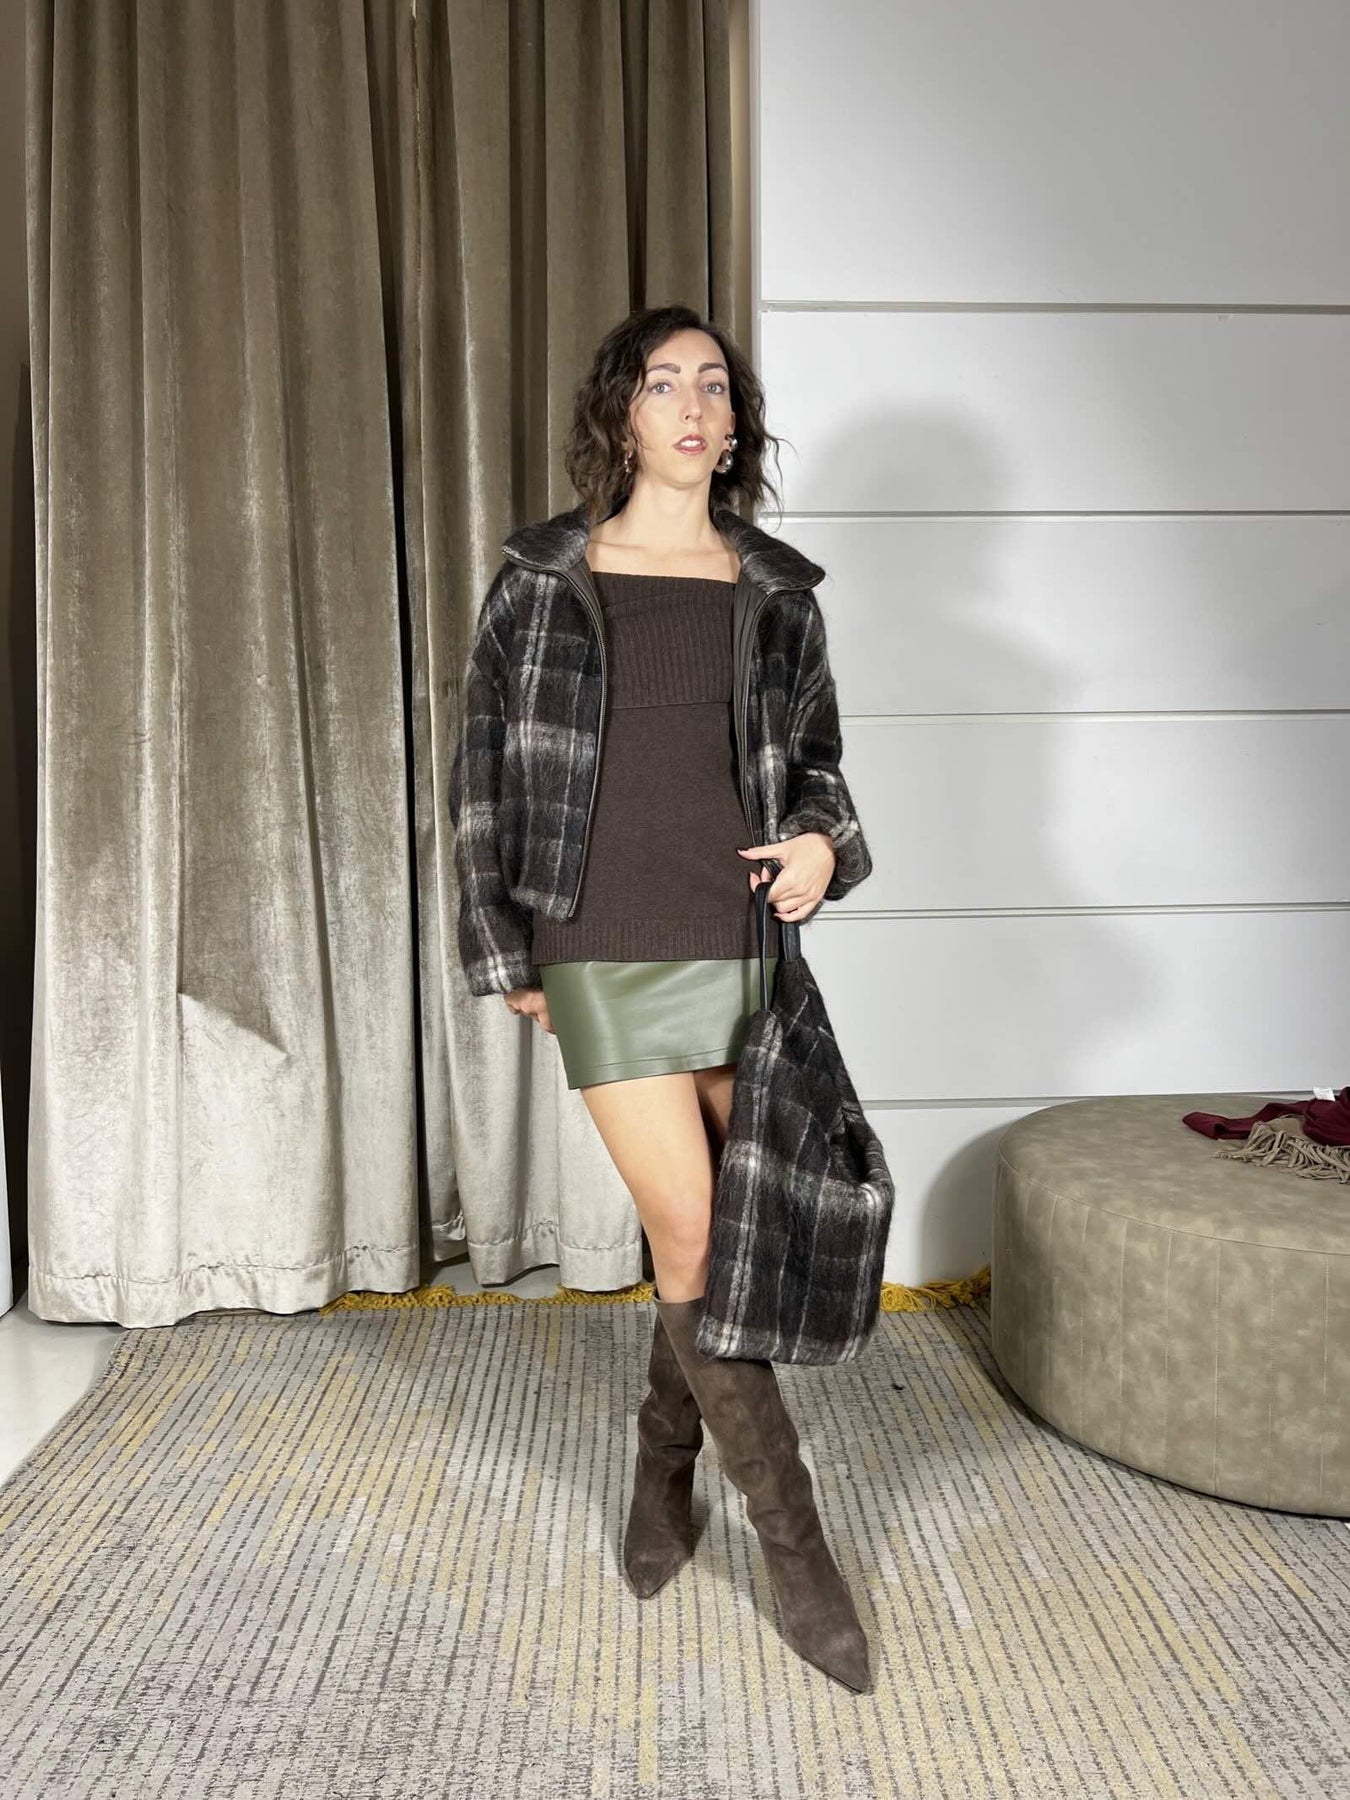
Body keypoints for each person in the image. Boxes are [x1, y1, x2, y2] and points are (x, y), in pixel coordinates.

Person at [448, 303, 876, 1694]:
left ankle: (659, 1463)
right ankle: (798, 1552)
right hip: (601, 933)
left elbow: (818, 769)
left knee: (719, 1230)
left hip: (739, 936)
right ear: (620, 416)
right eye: (660, 384)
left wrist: (823, 847)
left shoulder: (778, 592)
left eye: (712, 386)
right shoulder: (541, 579)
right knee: (690, 1225)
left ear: (734, 422)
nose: (691, 407)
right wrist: (508, 951)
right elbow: (480, 778)